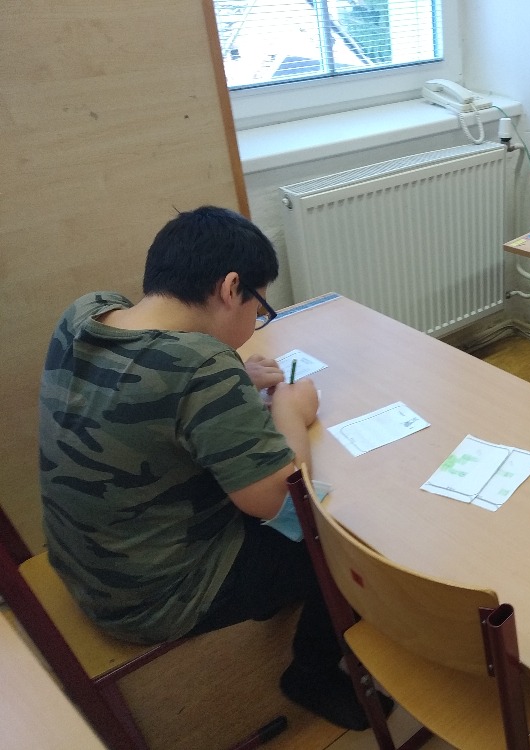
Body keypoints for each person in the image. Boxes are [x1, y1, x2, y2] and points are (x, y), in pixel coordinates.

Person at [38, 206, 389, 730]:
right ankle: (311, 673)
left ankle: (279, 597)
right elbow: (280, 500)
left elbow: (146, 390)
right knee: (348, 539)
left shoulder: (86, 313)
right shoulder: (202, 366)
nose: (256, 323)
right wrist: (290, 412)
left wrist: (234, 380)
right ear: (231, 288)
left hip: (84, 562)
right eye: (259, 306)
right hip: (149, 597)